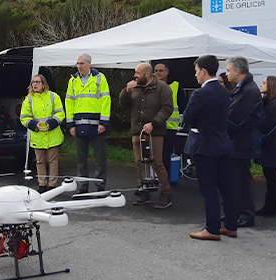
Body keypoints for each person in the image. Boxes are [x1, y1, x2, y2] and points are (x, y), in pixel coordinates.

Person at [184, 55, 237, 241]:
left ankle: (212, 229)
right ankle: (231, 226)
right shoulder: (225, 92)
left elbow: (187, 118)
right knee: (226, 186)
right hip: (224, 144)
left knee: (208, 188)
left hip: (205, 146)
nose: (196, 74)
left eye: (197, 71)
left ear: (204, 71)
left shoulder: (200, 94)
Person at [119, 63, 173, 208]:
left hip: (155, 132)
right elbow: (124, 105)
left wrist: (153, 123)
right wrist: (126, 92)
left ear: (148, 74)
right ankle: (144, 192)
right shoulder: (135, 87)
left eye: (138, 73)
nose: (135, 76)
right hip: (137, 130)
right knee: (140, 163)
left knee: (156, 163)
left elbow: (167, 108)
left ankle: (165, 194)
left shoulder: (162, 88)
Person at [225, 56, 263, 228]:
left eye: (228, 70)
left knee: (241, 179)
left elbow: (234, 119)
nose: (226, 74)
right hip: (239, 141)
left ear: (237, 71)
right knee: (235, 178)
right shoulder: (242, 88)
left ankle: (246, 215)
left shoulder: (248, 91)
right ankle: (236, 213)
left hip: (242, 141)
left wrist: (222, 129)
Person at [66, 53, 111, 193]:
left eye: (82, 63)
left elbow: (106, 100)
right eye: (78, 63)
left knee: (100, 158)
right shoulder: (73, 80)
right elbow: (69, 102)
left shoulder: (99, 78)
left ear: (89, 63)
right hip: (79, 124)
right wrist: (70, 125)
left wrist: (103, 122)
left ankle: (100, 186)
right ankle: (82, 187)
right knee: (81, 159)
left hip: (97, 124)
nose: (79, 66)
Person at [20, 74, 64, 193]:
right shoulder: (28, 99)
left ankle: (52, 185)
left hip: (52, 135)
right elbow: (24, 117)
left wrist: (51, 123)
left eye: (38, 82)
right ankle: (42, 185)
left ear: (43, 84)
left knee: (53, 161)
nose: (35, 84)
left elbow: (60, 113)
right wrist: (34, 125)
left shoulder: (53, 96)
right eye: (33, 82)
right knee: (40, 161)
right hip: (38, 135)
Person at [254, 76, 276, 216]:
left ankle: (274, 206)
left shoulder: (275, 105)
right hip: (270, 145)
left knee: (271, 175)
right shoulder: (269, 103)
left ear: (272, 86)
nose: (261, 85)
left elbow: (268, 126)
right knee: (270, 174)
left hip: (272, 146)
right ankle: (274, 206)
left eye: (264, 83)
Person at [154, 63, 186, 184]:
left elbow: (182, 105)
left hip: (170, 127)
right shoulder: (151, 85)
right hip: (155, 126)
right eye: (156, 70)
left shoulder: (176, 86)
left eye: (161, 70)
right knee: (155, 155)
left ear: (167, 72)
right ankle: (156, 178)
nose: (158, 73)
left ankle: (165, 180)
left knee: (165, 155)